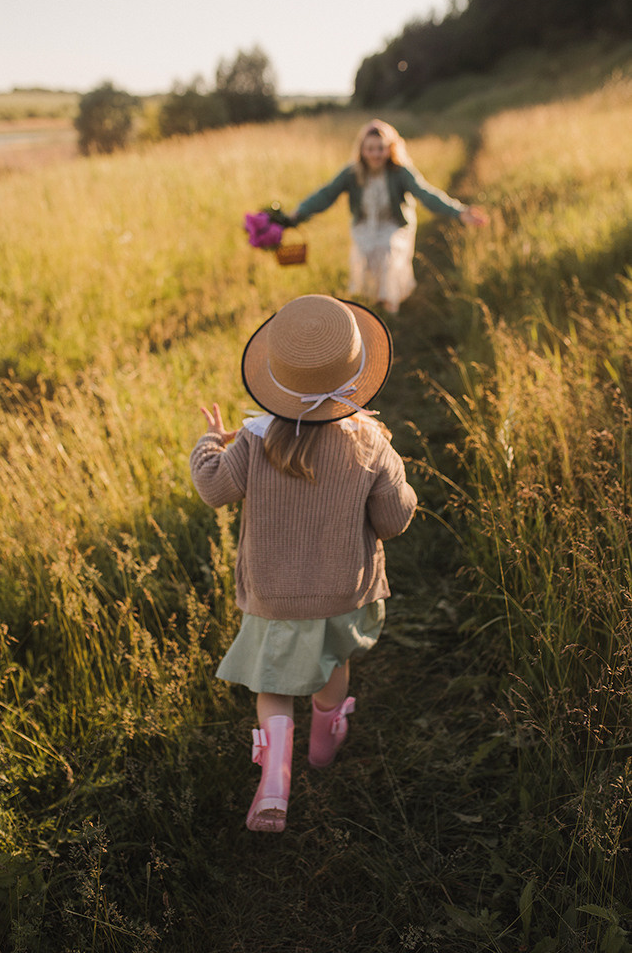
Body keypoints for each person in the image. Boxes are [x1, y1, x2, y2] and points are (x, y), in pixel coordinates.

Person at [189, 293, 417, 833]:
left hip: (274, 593)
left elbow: (213, 488)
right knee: (332, 661)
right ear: (356, 374)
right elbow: (393, 521)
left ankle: (274, 780)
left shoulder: (256, 437)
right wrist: (400, 482)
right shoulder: (371, 442)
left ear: (279, 377)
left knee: (272, 683)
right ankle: (322, 747)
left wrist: (209, 441)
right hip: (342, 591)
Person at [290, 118, 488, 314]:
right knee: (367, 255)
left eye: (381, 148)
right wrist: (300, 212)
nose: (376, 154)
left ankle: (390, 308)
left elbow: (425, 193)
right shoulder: (351, 173)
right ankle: (374, 302)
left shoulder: (400, 171)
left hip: (395, 224)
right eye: (370, 148)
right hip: (364, 225)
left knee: (388, 252)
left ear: (390, 148)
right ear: (362, 150)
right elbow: (326, 194)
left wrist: (458, 211)